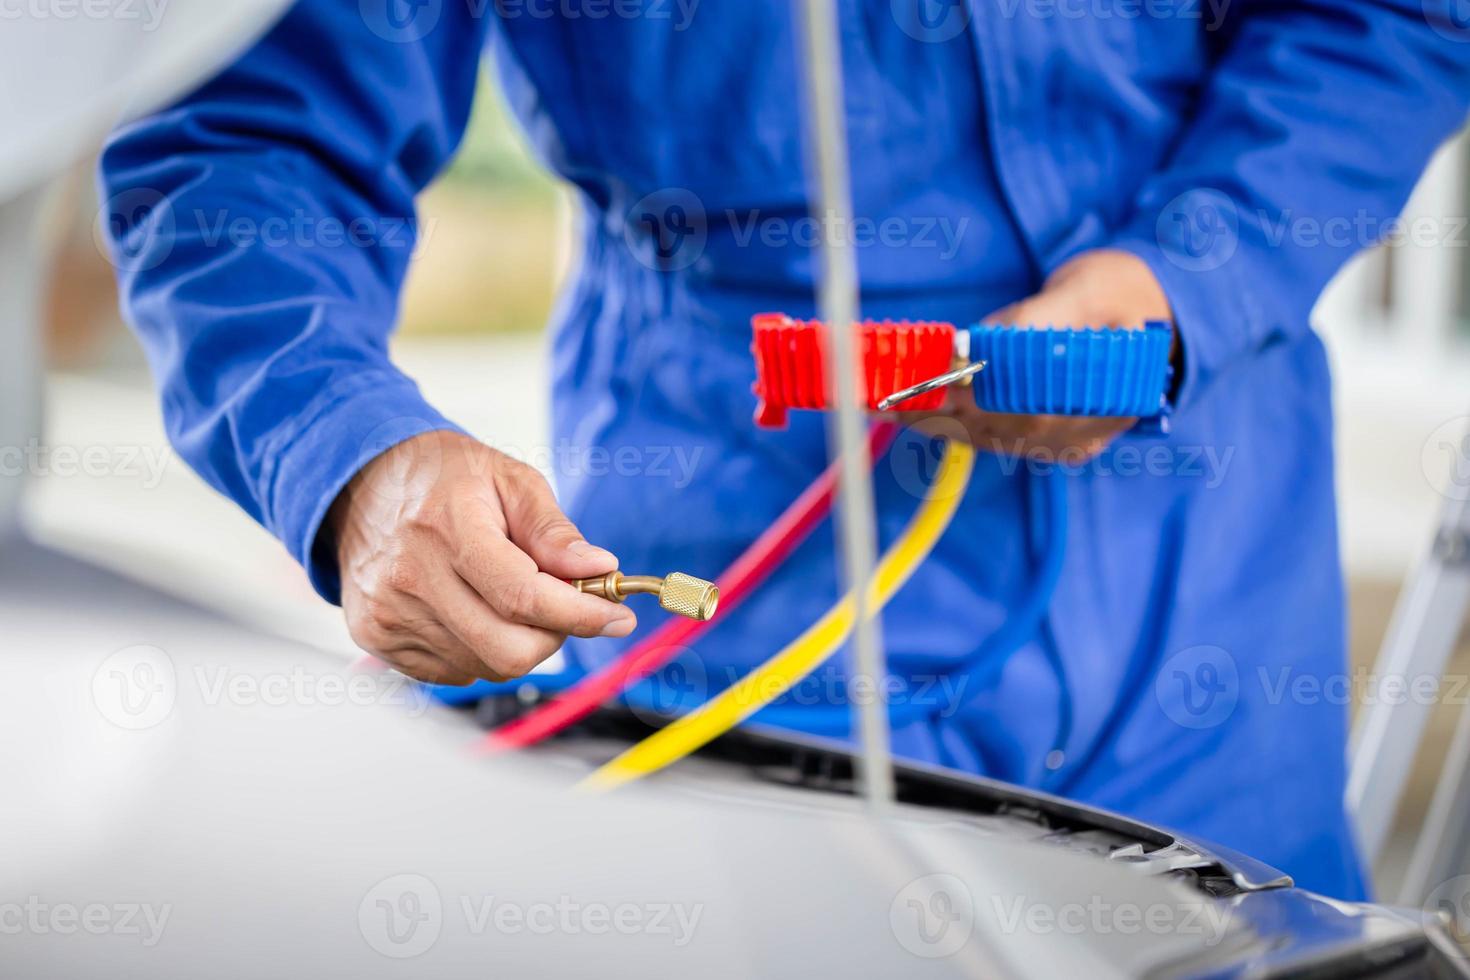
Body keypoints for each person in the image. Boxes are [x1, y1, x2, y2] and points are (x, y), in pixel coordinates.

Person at [99, 0, 1470, 898]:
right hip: (745, 603)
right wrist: (350, 457)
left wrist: (1194, 275)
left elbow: (1390, 15)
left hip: (1207, 576)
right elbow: (241, 138)